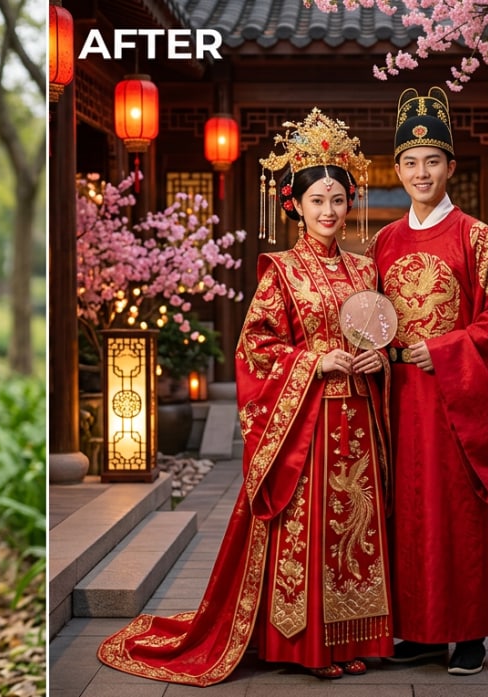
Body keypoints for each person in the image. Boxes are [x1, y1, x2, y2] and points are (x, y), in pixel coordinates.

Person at [97, 109, 394, 684]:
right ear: (295, 206)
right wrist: (315, 360)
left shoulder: (365, 270)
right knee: (307, 531)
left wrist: (375, 360)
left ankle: (356, 635)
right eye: (317, 201)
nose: (329, 211)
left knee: (354, 532)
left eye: (338, 199)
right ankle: (305, 645)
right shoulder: (281, 271)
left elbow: (381, 334)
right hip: (306, 426)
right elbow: (255, 347)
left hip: (357, 423)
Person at [353, 86, 488, 676]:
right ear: (396, 169)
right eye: (409, 162)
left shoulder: (475, 237)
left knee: (457, 510)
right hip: (399, 398)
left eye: (432, 161)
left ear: (450, 167)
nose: (420, 172)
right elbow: (368, 316)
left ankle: (469, 631)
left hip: (455, 396)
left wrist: (447, 350)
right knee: (407, 513)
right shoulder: (384, 242)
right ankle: (421, 631)